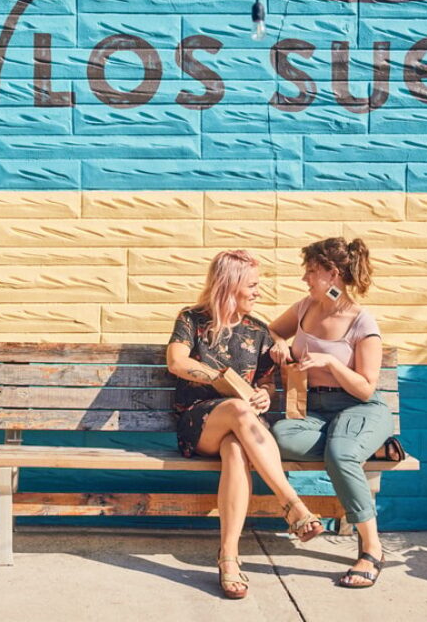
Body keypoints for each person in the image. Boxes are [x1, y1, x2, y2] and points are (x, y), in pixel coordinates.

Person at [166, 249, 324, 601]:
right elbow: (176, 361)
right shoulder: (192, 319)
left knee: (236, 451)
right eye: (252, 285)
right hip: (198, 421)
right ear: (231, 284)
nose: (258, 292)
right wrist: (224, 381)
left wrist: (265, 396)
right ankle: (292, 504)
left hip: (242, 427)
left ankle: (228, 558)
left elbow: (266, 383)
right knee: (239, 410)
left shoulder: (259, 330)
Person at [269, 237, 393, 589]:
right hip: (316, 411)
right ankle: (356, 448)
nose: (305, 279)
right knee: (281, 438)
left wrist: (329, 363)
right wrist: (279, 344)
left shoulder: (361, 323)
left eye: (311, 271)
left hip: (359, 407)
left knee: (340, 453)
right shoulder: (306, 307)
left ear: (332, 273)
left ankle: (372, 548)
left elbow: (366, 387)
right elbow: (274, 330)